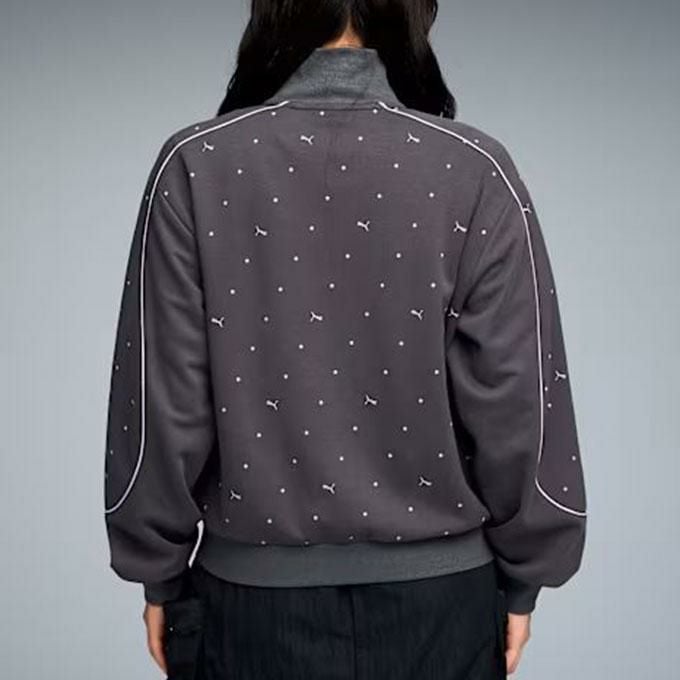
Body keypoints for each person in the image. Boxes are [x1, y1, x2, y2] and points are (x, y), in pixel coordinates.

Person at [103, 1, 588, 678]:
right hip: (442, 612)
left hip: (251, 613)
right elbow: (520, 404)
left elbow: (161, 402)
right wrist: (526, 577)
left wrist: (157, 573)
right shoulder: (476, 169)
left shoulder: (196, 164)